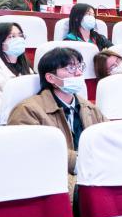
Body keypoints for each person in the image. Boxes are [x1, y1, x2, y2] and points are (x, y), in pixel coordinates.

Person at [7, 47, 105, 188]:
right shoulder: (27, 110)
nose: (78, 73)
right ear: (50, 78)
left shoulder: (90, 108)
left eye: (79, 66)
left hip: (94, 175)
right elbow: (32, 152)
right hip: (52, 181)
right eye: (70, 68)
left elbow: (108, 140)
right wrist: (80, 162)